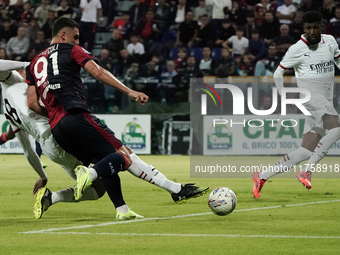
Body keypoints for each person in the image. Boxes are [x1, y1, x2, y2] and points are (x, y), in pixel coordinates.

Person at [26, 17, 209, 217]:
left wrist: (54, 113)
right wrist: (129, 91)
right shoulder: (71, 49)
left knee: (107, 164)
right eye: (75, 37)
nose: (77, 42)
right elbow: (97, 71)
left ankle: (121, 209)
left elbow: (32, 104)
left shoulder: (33, 63)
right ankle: (173, 189)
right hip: (76, 116)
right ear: (63, 34)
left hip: (57, 129)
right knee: (123, 155)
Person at [252, 11, 340, 198]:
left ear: (321, 26)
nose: (312, 31)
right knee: (337, 129)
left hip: (324, 100)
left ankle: (261, 176)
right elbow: (278, 74)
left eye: (315, 27)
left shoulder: (331, 41)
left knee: (305, 150)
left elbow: (339, 61)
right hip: (310, 98)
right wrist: (283, 95)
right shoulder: (296, 49)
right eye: (308, 28)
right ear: (304, 29)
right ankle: (306, 171)